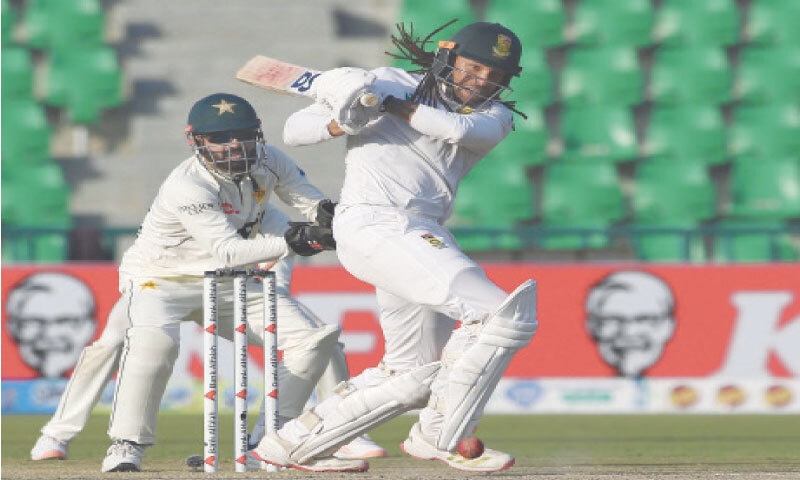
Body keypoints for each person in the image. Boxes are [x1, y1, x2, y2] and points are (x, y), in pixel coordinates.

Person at [251, 21, 538, 473]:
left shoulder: (494, 116)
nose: (482, 81)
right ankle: (440, 435)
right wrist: (342, 119)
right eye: (474, 67)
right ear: (447, 57)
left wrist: (384, 105)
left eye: (495, 76)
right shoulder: (385, 83)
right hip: (371, 222)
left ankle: (289, 447)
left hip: (421, 232)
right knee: (502, 314)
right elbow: (294, 130)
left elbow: (453, 129)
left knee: (412, 375)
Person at [53, 92, 380, 473]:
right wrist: (298, 241)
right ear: (197, 142)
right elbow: (226, 249)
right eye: (220, 138)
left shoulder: (271, 160)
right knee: (150, 343)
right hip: (162, 278)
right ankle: (125, 445)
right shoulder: (186, 185)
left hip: (230, 281)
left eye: (241, 135)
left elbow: (312, 205)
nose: (234, 145)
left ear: (257, 133)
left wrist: (338, 220)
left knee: (315, 339)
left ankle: (268, 444)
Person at [28, 255, 388, 464]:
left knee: (320, 340)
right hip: (164, 286)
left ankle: (344, 434)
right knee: (109, 343)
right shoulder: (191, 193)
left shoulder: (270, 214)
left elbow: (276, 284)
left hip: (229, 296)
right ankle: (56, 435)